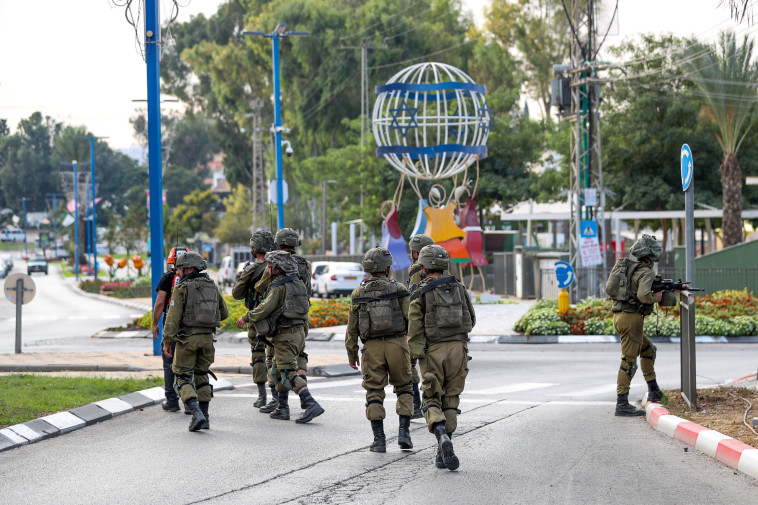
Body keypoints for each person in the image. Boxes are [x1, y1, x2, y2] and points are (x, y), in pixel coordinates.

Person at [408, 245, 475, 471]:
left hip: (433, 351)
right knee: (451, 398)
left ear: (424, 266)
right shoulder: (458, 287)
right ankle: (443, 450)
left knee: (431, 396)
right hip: (459, 348)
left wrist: (414, 356)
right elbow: (471, 319)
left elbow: (414, 329)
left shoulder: (420, 292)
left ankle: (440, 436)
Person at [346, 247, 413, 453]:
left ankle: (380, 440)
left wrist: (352, 353)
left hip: (371, 348)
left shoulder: (359, 292)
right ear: (387, 267)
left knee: (374, 391)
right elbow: (411, 317)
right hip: (398, 344)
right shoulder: (399, 287)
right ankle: (404, 433)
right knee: (404, 387)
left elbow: (352, 329)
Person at [247, 250, 324, 424]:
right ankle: (283, 408)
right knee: (276, 370)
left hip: (285, 334)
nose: (267, 269)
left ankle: (310, 402)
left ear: (277, 268)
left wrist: (246, 317)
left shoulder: (279, 287)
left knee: (287, 372)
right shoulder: (298, 282)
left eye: (269, 266)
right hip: (299, 332)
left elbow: (265, 307)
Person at [606, 234, 673, 417]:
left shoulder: (625, 267)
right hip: (631, 320)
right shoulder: (645, 272)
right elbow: (644, 296)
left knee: (648, 350)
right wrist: (656, 298)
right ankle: (621, 404)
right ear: (650, 255)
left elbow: (611, 289)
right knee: (628, 362)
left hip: (619, 317)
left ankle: (654, 390)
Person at [163, 251, 229, 431]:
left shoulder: (182, 288)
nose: (178, 273)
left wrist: (167, 341)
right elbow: (224, 313)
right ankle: (205, 417)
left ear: (189, 268)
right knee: (202, 376)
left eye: (180, 269)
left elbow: (172, 319)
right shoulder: (212, 286)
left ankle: (195, 412)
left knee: (182, 376)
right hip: (208, 340)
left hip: (187, 340)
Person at [255, 228, 312, 414]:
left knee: (275, 360)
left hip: (281, 320)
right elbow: (308, 290)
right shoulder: (304, 264)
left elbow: (260, 287)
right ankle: (304, 396)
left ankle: (281, 404)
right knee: (300, 355)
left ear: (278, 244)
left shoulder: (275, 261)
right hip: (302, 318)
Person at [232, 230, 275, 409]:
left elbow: (236, 294)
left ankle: (262, 396)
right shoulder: (278, 266)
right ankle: (277, 398)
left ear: (256, 247)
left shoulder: (251, 269)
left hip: (254, 318)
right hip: (274, 317)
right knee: (274, 357)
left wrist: (246, 275)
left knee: (258, 355)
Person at [151, 246, 188, 414]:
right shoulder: (196, 278)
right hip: (190, 327)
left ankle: (172, 400)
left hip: (171, 326)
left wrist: (155, 323)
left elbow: (160, 303)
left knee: (169, 363)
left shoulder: (167, 278)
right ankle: (190, 401)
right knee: (189, 363)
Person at [407, 233, 434, 419]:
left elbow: (413, 298)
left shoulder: (418, 269)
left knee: (409, 363)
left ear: (416, 252)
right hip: (435, 323)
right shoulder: (438, 267)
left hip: (419, 322)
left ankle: (417, 404)